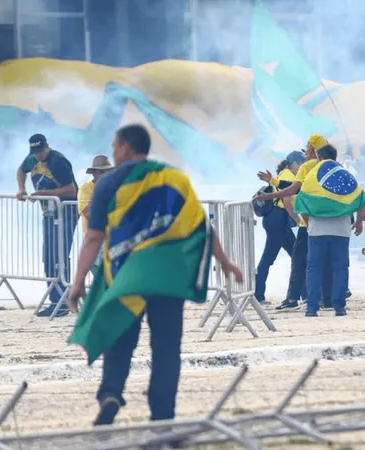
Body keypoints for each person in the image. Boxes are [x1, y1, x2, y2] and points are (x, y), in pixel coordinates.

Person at [66, 124, 243, 429]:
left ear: (125, 147)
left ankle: (110, 393)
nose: (113, 152)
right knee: (166, 347)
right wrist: (225, 261)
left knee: (120, 339)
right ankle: (162, 416)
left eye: (114, 146)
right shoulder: (174, 177)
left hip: (127, 277)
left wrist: (79, 280)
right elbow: (199, 224)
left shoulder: (108, 185)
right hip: (167, 277)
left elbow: (93, 238)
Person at [257, 135, 350, 311]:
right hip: (335, 220)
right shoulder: (337, 168)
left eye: (308, 147)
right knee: (332, 262)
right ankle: (331, 298)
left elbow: (294, 188)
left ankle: (296, 299)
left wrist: (270, 190)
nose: (306, 150)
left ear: (315, 150)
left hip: (310, 222)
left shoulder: (308, 167)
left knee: (302, 261)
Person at [293, 144, 365, 316]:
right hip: (341, 230)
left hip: (317, 230)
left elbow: (301, 201)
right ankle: (339, 307)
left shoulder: (313, 175)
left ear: (319, 157)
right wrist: (359, 222)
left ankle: (312, 308)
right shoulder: (344, 174)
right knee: (340, 268)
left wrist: (308, 222)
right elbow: (361, 196)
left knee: (314, 268)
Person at [16, 133, 78, 317]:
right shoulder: (31, 158)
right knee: (48, 256)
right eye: (35, 152)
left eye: (40, 151)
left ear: (46, 147)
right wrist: (22, 188)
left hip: (66, 212)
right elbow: (21, 171)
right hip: (49, 213)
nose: (38, 156)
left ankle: (63, 301)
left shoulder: (58, 161)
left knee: (60, 254)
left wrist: (43, 193)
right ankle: (55, 299)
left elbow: (71, 190)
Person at [254, 151, 304, 304]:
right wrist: (299, 221)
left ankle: (301, 293)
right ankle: (257, 294)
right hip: (278, 219)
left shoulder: (284, 173)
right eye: (301, 164)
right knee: (274, 256)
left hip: (276, 219)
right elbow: (287, 201)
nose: (302, 167)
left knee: (296, 254)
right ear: (294, 164)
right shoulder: (289, 175)